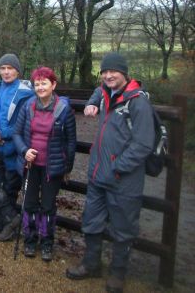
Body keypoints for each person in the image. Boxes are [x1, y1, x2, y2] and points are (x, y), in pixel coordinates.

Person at [66, 53, 155, 293]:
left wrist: (118, 167)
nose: (108, 76)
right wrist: (94, 99)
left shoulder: (138, 102)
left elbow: (144, 144)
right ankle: (91, 263)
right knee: (91, 221)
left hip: (123, 180)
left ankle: (118, 274)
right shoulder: (108, 94)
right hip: (98, 175)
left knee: (123, 228)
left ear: (124, 73)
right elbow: (101, 88)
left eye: (113, 72)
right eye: (104, 72)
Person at [13, 66, 76, 261]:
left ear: (53, 84)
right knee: (30, 203)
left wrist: (67, 167)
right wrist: (25, 151)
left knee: (48, 206)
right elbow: (16, 133)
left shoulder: (64, 110)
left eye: (44, 83)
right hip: (30, 165)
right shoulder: (28, 106)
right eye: (37, 84)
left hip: (52, 167)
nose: (40, 87)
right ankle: (30, 240)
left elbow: (70, 141)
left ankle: (47, 242)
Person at [0, 53, 33, 242]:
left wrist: (4, 134)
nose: (6, 72)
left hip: (15, 150)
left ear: (17, 71)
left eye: (10, 68)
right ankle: (12, 218)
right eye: (3, 68)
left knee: (10, 188)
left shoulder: (26, 94)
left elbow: (26, 121)